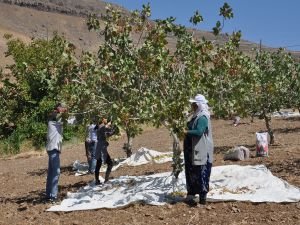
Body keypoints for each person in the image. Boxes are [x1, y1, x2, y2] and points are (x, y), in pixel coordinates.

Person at [183, 94, 214, 206]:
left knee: (201, 172)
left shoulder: (203, 117)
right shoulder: (196, 116)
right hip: (192, 150)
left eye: (193, 104)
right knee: (192, 171)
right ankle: (191, 193)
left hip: (201, 149)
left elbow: (199, 131)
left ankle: (202, 198)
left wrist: (186, 132)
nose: (192, 106)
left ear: (198, 105)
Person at [45, 103, 67, 202]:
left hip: (51, 148)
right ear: (58, 108)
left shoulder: (54, 117)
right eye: (63, 107)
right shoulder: (55, 118)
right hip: (53, 148)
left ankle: (49, 195)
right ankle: (53, 196)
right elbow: (71, 121)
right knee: (56, 172)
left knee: (51, 173)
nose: (65, 109)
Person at [94, 117, 115, 185]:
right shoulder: (101, 127)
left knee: (98, 164)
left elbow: (108, 133)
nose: (106, 119)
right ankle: (106, 180)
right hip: (101, 149)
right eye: (105, 118)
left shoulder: (100, 127)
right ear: (102, 120)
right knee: (110, 163)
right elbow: (105, 129)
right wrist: (110, 125)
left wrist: (113, 129)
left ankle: (98, 180)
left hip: (99, 148)